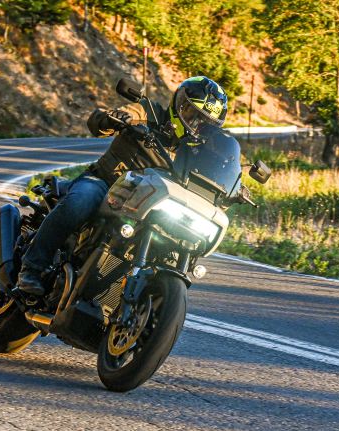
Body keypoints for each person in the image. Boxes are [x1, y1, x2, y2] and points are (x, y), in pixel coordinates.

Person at [15, 76, 229, 300]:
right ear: (179, 105)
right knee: (79, 202)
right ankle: (31, 268)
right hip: (105, 183)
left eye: (204, 122)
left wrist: (231, 188)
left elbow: (216, 173)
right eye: (192, 114)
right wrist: (113, 119)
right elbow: (103, 118)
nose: (195, 124)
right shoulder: (149, 112)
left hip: (150, 203)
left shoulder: (200, 150)